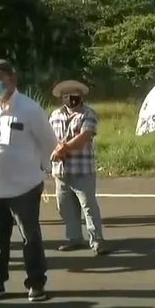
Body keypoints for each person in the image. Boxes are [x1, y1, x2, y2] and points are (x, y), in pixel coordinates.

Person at [0, 59, 58, 303]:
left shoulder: (30, 109)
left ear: (12, 79)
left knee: (29, 236)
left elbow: (49, 144)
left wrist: (40, 172)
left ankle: (36, 283)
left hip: (24, 186)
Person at [49, 79, 109, 256]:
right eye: (65, 95)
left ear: (81, 96)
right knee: (64, 206)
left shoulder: (88, 113)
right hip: (60, 170)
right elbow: (48, 138)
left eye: (74, 95)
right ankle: (74, 238)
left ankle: (97, 240)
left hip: (82, 169)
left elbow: (84, 137)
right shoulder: (54, 115)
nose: (70, 98)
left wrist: (64, 148)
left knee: (88, 206)